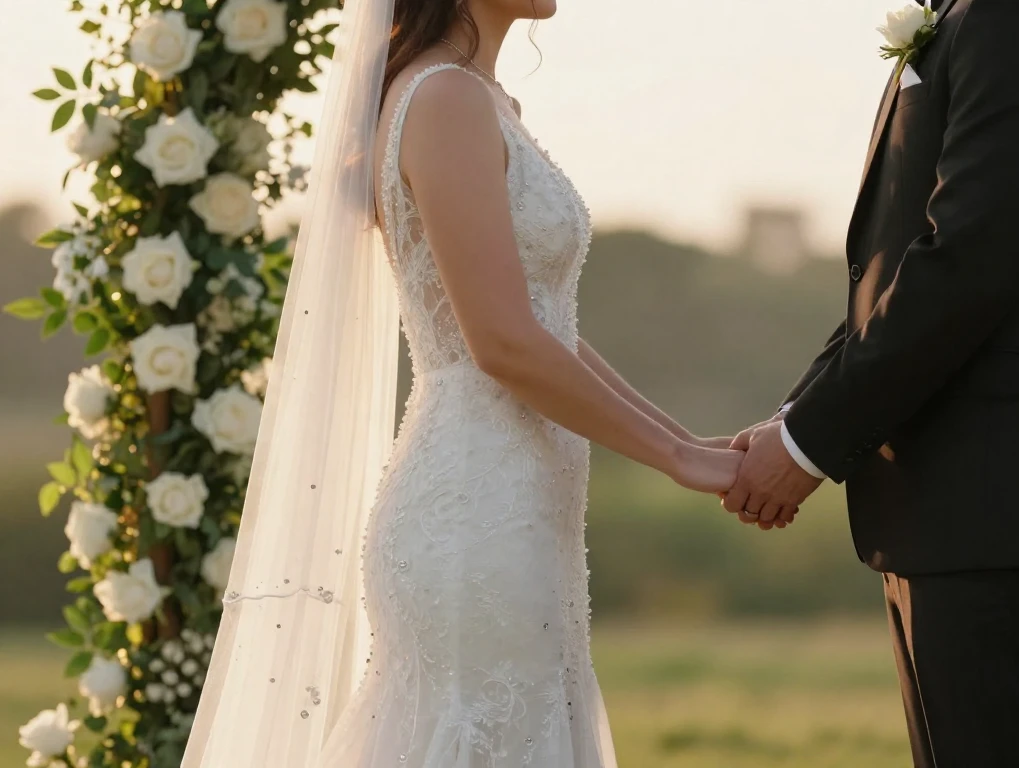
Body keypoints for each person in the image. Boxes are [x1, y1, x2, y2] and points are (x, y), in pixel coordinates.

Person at [183, 1, 739, 765]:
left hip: (517, 506)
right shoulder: (445, 99)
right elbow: (503, 343)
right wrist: (674, 461)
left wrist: (687, 441)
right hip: (474, 510)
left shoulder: (476, 97)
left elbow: (544, 326)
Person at [722, 0, 1019, 765]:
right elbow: (902, 267)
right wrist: (796, 418)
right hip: (959, 504)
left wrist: (807, 444)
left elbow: (967, 264)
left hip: (1007, 500)